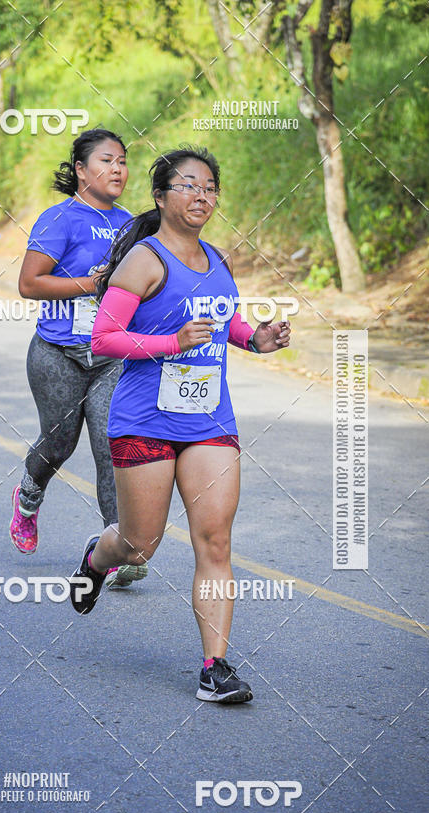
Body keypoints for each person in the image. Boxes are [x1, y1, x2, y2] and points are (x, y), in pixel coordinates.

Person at [69, 146, 291, 703]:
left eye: (210, 187)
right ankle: (98, 559)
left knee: (214, 541)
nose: (202, 196)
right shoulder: (143, 261)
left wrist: (256, 339)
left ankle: (214, 667)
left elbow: (227, 325)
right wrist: (170, 342)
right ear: (162, 196)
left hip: (209, 420)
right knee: (140, 545)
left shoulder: (218, 259)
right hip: (144, 419)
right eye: (189, 185)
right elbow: (103, 338)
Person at [10, 128, 148, 589]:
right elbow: (30, 284)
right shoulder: (59, 219)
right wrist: (94, 284)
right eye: (106, 161)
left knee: (112, 448)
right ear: (81, 170)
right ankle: (29, 499)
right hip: (58, 355)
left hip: (110, 357)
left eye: (123, 162)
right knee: (59, 444)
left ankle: (122, 549)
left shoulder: (132, 224)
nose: (117, 170)